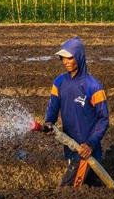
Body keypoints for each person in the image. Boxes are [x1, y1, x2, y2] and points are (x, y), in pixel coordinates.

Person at [37, 36, 109, 187]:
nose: (65, 62)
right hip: (70, 147)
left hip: (86, 152)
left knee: (67, 189)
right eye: (62, 58)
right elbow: (52, 109)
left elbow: (103, 119)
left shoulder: (93, 86)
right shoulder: (59, 83)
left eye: (69, 58)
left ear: (79, 57)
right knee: (87, 187)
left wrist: (90, 144)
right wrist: (49, 123)